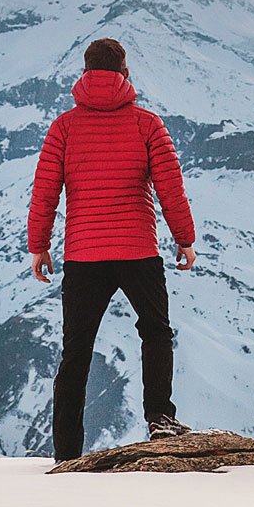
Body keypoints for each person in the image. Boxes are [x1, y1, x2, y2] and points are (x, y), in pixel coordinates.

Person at [28, 37, 197, 462]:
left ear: (84, 73)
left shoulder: (63, 127)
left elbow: (45, 192)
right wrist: (185, 239)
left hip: (83, 256)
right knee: (155, 332)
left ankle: (67, 452)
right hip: (138, 250)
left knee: (76, 350)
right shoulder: (147, 124)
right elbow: (170, 188)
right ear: (124, 72)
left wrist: (39, 246)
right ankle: (160, 417)